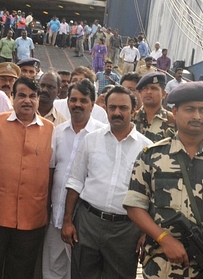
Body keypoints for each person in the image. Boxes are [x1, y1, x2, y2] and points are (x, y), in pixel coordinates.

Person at [124, 81, 203, 279]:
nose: (197, 116)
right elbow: (134, 206)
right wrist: (164, 238)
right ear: (175, 113)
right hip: (164, 266)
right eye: (190, 109)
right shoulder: (151, 156)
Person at [0, 76, 55, 279]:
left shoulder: (50, 130)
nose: (27, 100)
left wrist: (47, 208)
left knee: (21, 272)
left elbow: (50, 172)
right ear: (12, 97)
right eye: (22, 95)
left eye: (33, 96)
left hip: (31, 219)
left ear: (38, 100)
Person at [62, 86, 152, 278]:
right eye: (112, 108)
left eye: (123, 108)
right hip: (88, 223)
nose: (117, 113)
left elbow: (151, 196)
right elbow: (75, 181)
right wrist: (67, 220)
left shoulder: (147, 149)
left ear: (134, 110)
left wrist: (146, 233)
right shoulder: (91, 140)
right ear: (106, 109)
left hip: (125, 230)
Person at [45, 79, 106, 278]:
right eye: (73, 100)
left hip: (84, 220)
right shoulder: (58, 132)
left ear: (92, 104)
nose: (77, 104)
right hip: (56, 216)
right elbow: (51, 171)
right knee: (53, 267)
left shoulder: (102, 135)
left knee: (80, 270)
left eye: (83, 100)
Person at [132, 72, 176, 142]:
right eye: (145, 88)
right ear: (140, 93)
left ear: (163, 94)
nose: (149, 92)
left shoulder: (173, 121)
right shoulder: (131, 118)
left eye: (154, 88)